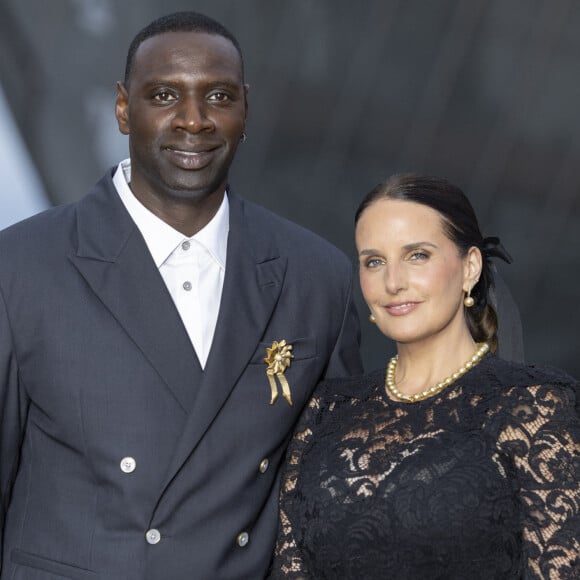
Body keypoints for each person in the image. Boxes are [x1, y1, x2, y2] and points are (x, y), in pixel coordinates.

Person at [0, 12, 363, 580]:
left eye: (217, 96)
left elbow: (329, 508)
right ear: (124, 108)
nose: (193, 121)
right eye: (165, 95)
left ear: (245, 109)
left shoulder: (316, 276)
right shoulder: (20, 266)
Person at [269, 174, 579, 579]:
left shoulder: (534, 406)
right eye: (374, 261)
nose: (393, 283)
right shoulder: (326, 412)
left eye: (417, 255)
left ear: (470, 267)